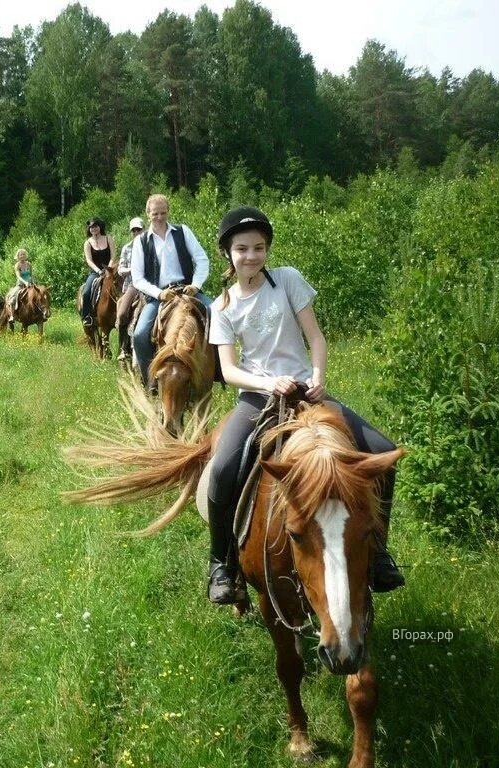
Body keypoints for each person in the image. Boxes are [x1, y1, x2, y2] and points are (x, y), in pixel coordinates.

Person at [204, 205, 405, 604]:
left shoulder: (289, 280)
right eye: (242, 248)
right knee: (224, 468)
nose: (252, 256)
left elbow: (316, 337)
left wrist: (317, 377)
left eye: (259, 247)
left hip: (305, 390)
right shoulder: (222, 306)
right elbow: (228, 371)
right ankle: (221, 563)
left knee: (381, 452)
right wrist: (267, 382)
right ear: (227, 253)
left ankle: (377, 549)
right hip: (256, 398)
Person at [130, 194, 211, 390]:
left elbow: (202, 260)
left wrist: (196, 285)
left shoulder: (183, 232)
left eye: (163, 213)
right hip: (159, 295)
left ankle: (217, 372)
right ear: (148, 214)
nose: (159, 217)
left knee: (218, 315)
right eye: (155, 213)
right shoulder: (141, 241)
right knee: (140, 335)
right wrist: (159, 293)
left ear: (168, 212)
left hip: (187, 289)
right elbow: (137, 278)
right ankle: (151, 381)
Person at [116, 217, 145, 361]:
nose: (136, 232)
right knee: (122, 313)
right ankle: (123, 347)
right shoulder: (127, 248)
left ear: (143, 230)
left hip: (150, 285)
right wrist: (134, 269)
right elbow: (120, 269)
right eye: (133, 230)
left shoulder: (150, 245)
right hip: (133, 285)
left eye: (138, 229)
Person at [80, 218, 118, 327]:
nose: (93, 229)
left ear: (100, 227)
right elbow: (89, 260)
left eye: (95, 226)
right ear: (89, 229)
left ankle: (124, 315)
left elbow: (113, 256)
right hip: (95, 272)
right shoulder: (87, 243)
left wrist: (108, 269)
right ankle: (87, 316)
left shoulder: (108, 239)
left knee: (120, 287)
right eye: (91, 227)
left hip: (110, 270)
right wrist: (98, 271)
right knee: (86, 292)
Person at [7, 248, 34, 319]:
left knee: (40, 295)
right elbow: (18, 276)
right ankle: (12, 315)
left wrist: (33, 282)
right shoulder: (17, 265)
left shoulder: (29, 264)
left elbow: (31, 275)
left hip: (30, 284)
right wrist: (25, 282)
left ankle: (41, 314)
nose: (22, 256)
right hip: (20, 285)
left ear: (26, 255)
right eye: (21, 254)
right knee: (12, 298)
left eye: (24, 254)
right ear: (18, 256)